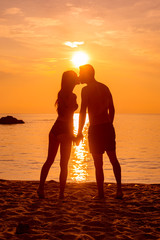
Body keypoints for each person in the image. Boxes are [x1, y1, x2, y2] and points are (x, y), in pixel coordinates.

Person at [77, 64, 123, 199]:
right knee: (113, 159)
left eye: (81, 73)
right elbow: (112, 109)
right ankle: (119, 190)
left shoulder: (85, 90)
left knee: (99, 163)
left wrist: (79, 131)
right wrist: (109, 123)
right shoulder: (104, 87)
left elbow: (82, 112)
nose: (79, 76)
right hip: (107, 127)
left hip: (96, 129)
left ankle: (101, 193)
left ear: (88, 74)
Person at [37, 71, 79, 199]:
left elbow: (64, 114)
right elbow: (70, 118)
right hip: (65, 129)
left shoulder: (61, 94)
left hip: (55, 129)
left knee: (49, 160)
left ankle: (41, 188)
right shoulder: (72, 96)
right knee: (64, 164)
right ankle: (61, 194)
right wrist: (73, 134)